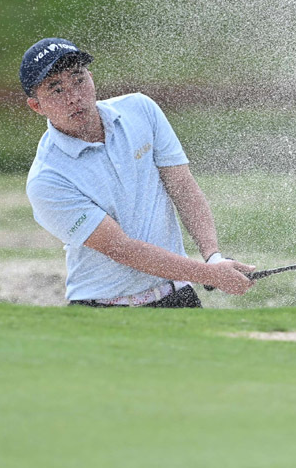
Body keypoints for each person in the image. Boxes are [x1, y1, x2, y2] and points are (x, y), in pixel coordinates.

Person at [20, 37, 255, 308]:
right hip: (104, 309)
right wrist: (210, 274)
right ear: (36, 106)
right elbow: (121, 248)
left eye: (78, 80)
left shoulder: (140, 110)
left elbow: (182, 185)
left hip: (177, 295)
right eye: (56, 90)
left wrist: (213, 256)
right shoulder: (47, 178)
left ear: (92, 79)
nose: (74, 97)